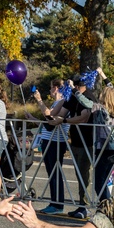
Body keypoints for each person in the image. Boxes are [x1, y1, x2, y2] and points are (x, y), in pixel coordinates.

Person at [50, 77, 94, 219]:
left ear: (79, 86)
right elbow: (59, 113)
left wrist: (66, 120)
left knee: (85, 175)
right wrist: (62, 99)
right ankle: (81, 205)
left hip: (86, 142)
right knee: (79, 175)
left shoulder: (88, 97)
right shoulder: (72, 97)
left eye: (74, 86)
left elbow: (84, 117)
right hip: (75, 141)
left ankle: (86, 207)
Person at [31, 79, 70, 215]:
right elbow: (47, 122)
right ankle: (54, 202)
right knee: (51, 172)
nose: (49, 90)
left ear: (57, 88)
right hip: (49, 140)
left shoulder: (63, 102)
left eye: (51, 87)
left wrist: (39, 100)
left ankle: (57, 204)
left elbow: (50, 118)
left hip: (56, 141)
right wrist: (33, 119)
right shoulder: (56, 102)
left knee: (55, 172)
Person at [91, 74, 114, 203]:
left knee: (99, 181)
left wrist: (73, 90)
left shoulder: (100, 109)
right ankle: (107, 203)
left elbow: (85, 102)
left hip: (103, 146)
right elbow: (111, 89)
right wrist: (103, 75)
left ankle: (107, 205)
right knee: (106, 178)